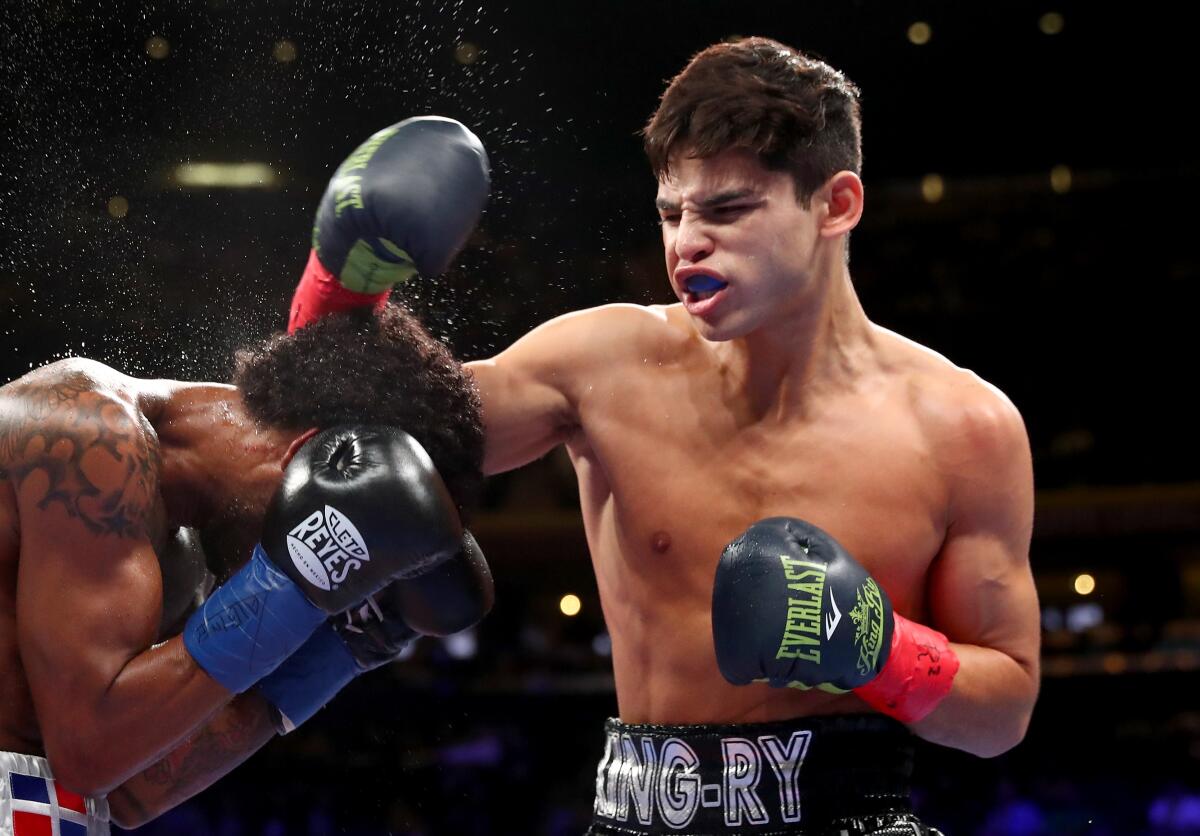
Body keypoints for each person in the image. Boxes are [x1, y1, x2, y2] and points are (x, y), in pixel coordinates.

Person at [290, 42, 1040, 835]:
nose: (686, 244)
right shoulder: (602, 364)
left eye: (726, 210)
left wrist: (876, 649)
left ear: (836, 205)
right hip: (637, 817)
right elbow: (354, 458)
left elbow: (1004, 714)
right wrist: (341, 280)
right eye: (671, 213)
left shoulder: (963, 427)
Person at [1, 253, 492, 830]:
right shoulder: (86, 433)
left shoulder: (180, 549)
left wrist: (343, 648)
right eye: (341, 542)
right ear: (313, 458)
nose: (335, 575)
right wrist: (297, 586)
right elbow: (88, 755)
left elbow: (131, 789)